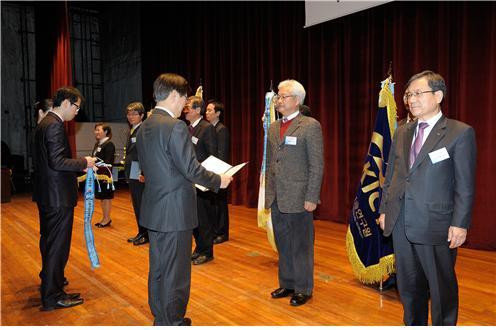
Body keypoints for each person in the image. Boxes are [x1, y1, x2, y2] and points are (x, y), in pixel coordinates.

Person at [378, 70, 477, 325]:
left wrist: (460, 223)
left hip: (437, 225)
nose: (411, 99)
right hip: (400, 221)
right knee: (409, 288)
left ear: (438, 95)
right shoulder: (402, 131)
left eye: (418, 93)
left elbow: (465, 185)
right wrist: (384, 209)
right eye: (408, 94)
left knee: (441, 289)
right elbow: (392, 176)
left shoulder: (459, 133)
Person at [136, 73, 232, 326]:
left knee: (159, 267)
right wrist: (218, 180)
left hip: (155, 209)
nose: (185, 107)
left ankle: (161, 314)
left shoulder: (145, 125)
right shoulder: (175, 126)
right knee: (176, 271)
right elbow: (190, 169)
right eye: (185, 101)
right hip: (175, 211)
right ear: (175, 96)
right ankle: (171, 320)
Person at [33, 86, 96, 310]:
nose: (77, 112)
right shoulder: (54, 126)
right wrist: (84, 162)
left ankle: (54, 287)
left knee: (51, 244)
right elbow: (57, 162)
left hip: (49, 194)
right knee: (57, 247)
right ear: (67, 103)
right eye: (77, 107)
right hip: (57, 197)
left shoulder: (45, 123)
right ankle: (52, 296)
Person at [265, 79, 324, 307]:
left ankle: (303, 288)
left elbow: (317, 165)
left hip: (300, 197)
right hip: (277, 196)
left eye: (283, 96)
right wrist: (269, 193)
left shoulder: (310, 125)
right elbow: (271, 162)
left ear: (297, 100)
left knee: (301, 245)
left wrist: (311, 197)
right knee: (283, 243)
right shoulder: (272, 127)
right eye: (278, 96)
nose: (278, 100)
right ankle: (287, 283)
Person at [183, 95, 218, 265]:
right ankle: (199, 248)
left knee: (203, 218)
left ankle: (207, 251)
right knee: (193, 217)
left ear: (198, 110)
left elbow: (213, 155)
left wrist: (208, 179)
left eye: (188, 107)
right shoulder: (187, 128)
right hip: (189, 180)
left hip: (202, 181)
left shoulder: (206, 128)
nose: (185, 110)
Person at [205, 100, 231, 244]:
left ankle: (222, 232)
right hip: (210, 172)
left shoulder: (221, 129)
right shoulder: (208, 128)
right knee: (212, 204)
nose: (207, 113)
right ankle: (213, 230)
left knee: (220, 203)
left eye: (210, 110)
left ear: (218, 113)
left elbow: (222, 154)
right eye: (206, 110)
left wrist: (218, 173)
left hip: (220, 172)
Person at [124, 102, 148, 245]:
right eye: (129, 113)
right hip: (132, 170)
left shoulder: (143, 130)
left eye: (134, 113)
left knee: (141, 204)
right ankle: (141, 232)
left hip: (138, 171)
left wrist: (143, 172)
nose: (130, 116)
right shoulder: (132, 130)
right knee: (137, 203)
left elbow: (145, 154)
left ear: (142, 115)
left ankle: (146, 234)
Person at [92, 123, 115, 228]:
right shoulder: (98, 144)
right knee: (102, 197)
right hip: (98, 175)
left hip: (105, 175)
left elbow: (108, 161)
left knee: (106, 197)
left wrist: (96, 165)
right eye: (95, 130)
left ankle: (107, 219)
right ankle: (105, 218)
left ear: (105, 132)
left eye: (98, 130)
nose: (96, 132)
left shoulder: (109, 144)